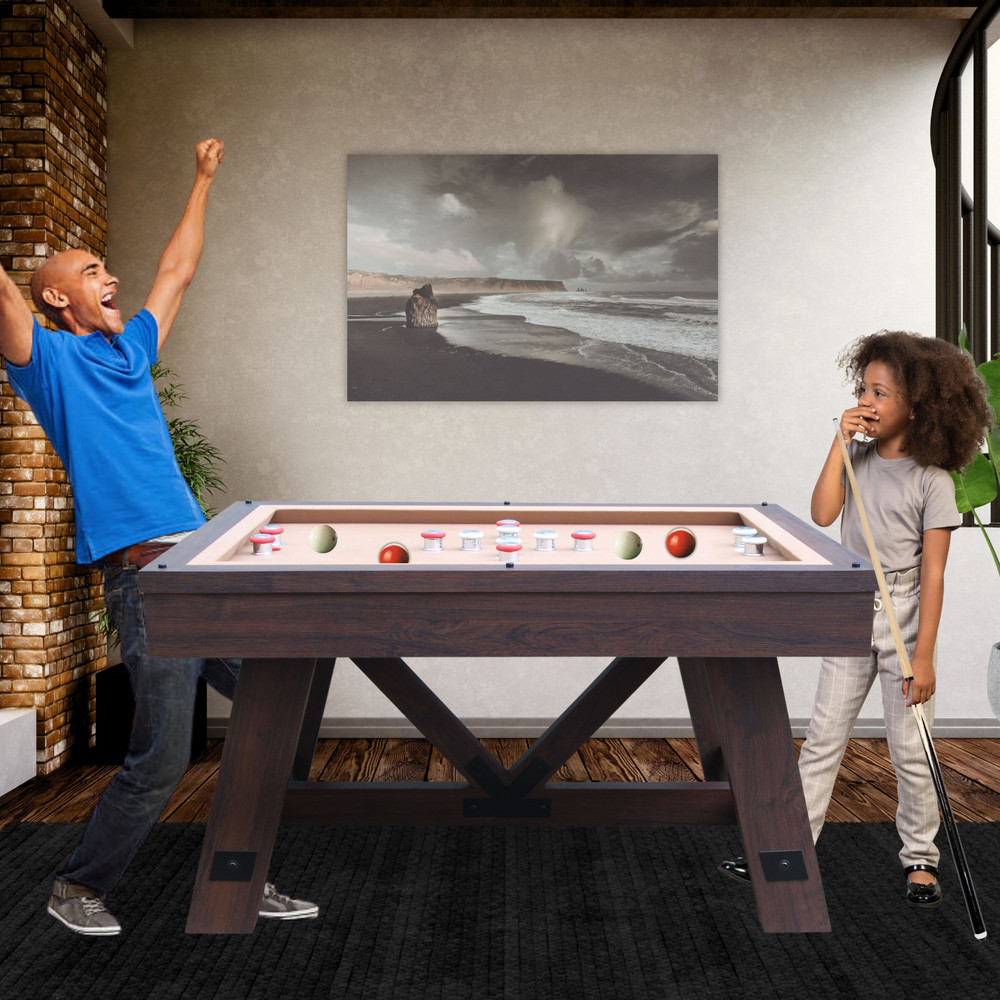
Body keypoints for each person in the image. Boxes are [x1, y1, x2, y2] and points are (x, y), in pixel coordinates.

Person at [0, 139, 317, 935]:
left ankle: (243, 876)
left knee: (278, 708)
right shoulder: (47, 360)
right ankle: (77, 885)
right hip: (149, 582)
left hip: (200, 568)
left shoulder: (130, 351)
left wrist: (203, 178)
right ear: (57, 299)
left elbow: (176, 270)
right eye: (93, 272)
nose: (111, 278)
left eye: (107, 268)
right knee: (162, 758)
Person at [718, 330, 991, 908]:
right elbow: (821, 514)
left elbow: (935, 575)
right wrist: (837, 443)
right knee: (822, 738)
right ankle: (791, 844)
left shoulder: (933, 481)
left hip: (905, 613)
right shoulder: (858, 457)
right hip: (849, 608)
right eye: (863, 388)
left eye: (882, 393)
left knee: (910, 750)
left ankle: (920, 859)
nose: (867, 401)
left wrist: (923, 657)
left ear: (918, 407)